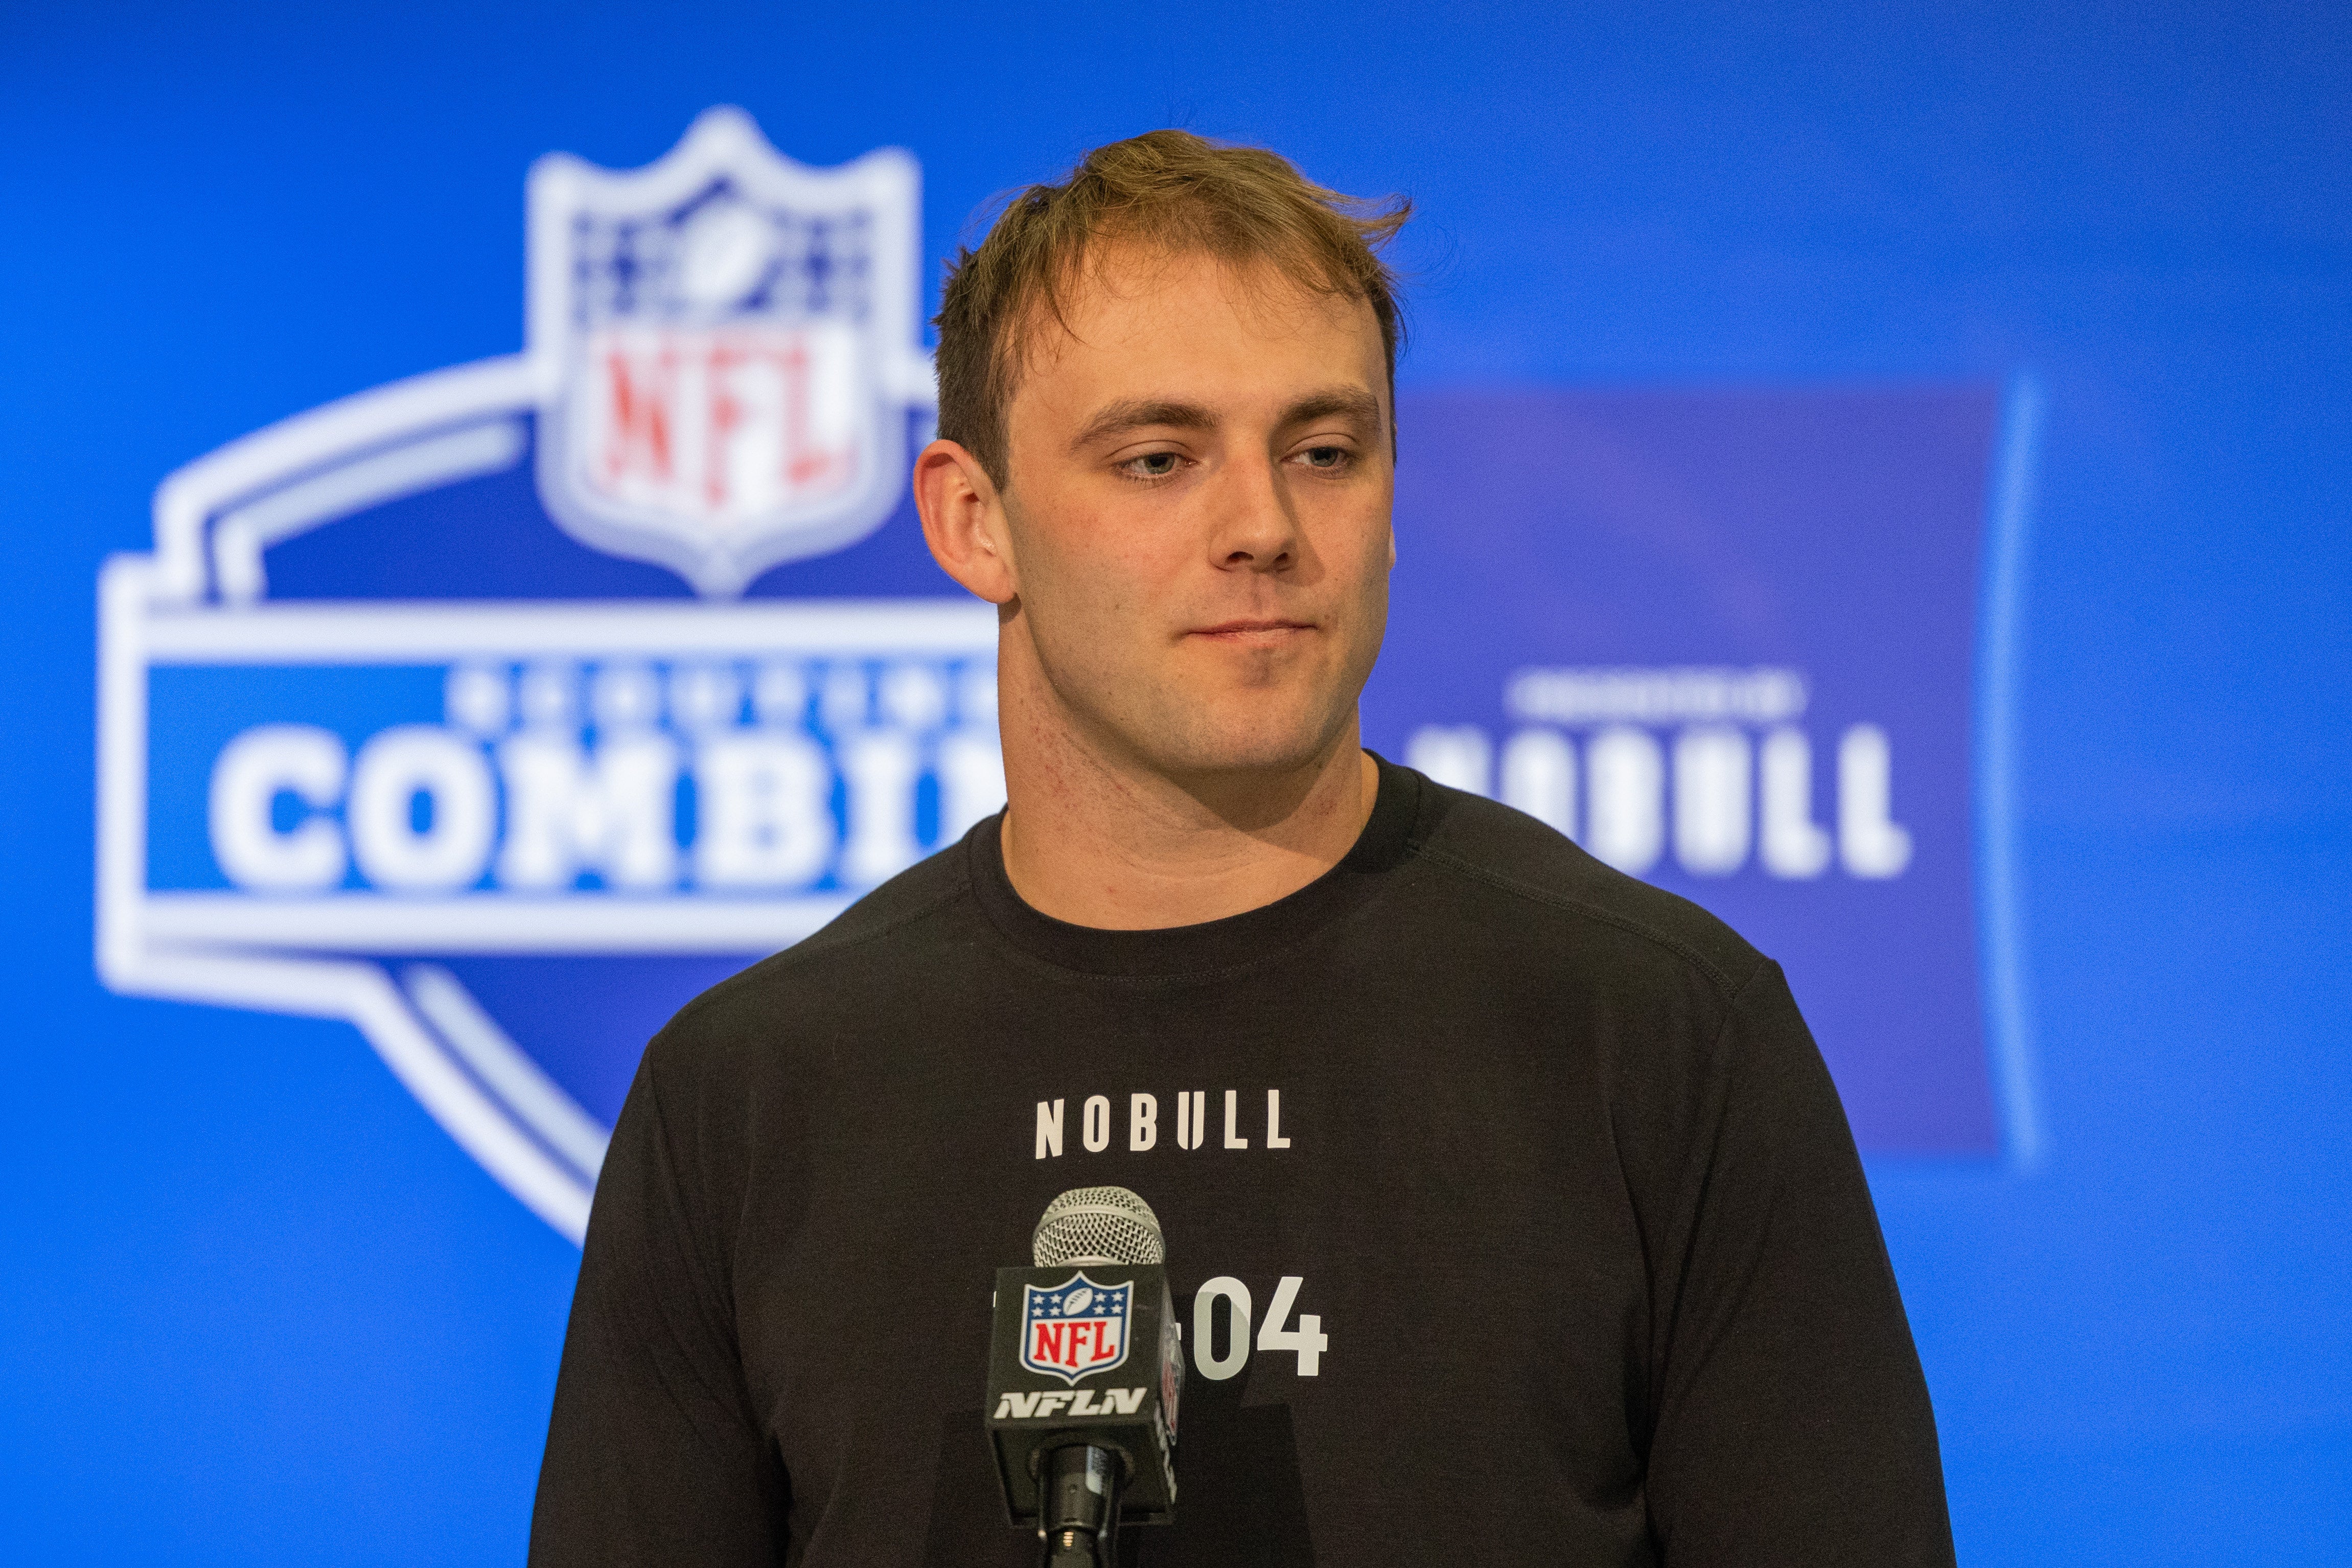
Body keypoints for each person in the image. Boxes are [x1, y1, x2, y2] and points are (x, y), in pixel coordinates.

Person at [528, 130, 1955, 1567]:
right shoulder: (749, 1095)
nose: (1263, 527)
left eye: (1323, 452)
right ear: (975, 521)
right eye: (1157, 458)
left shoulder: (1656, 1031)